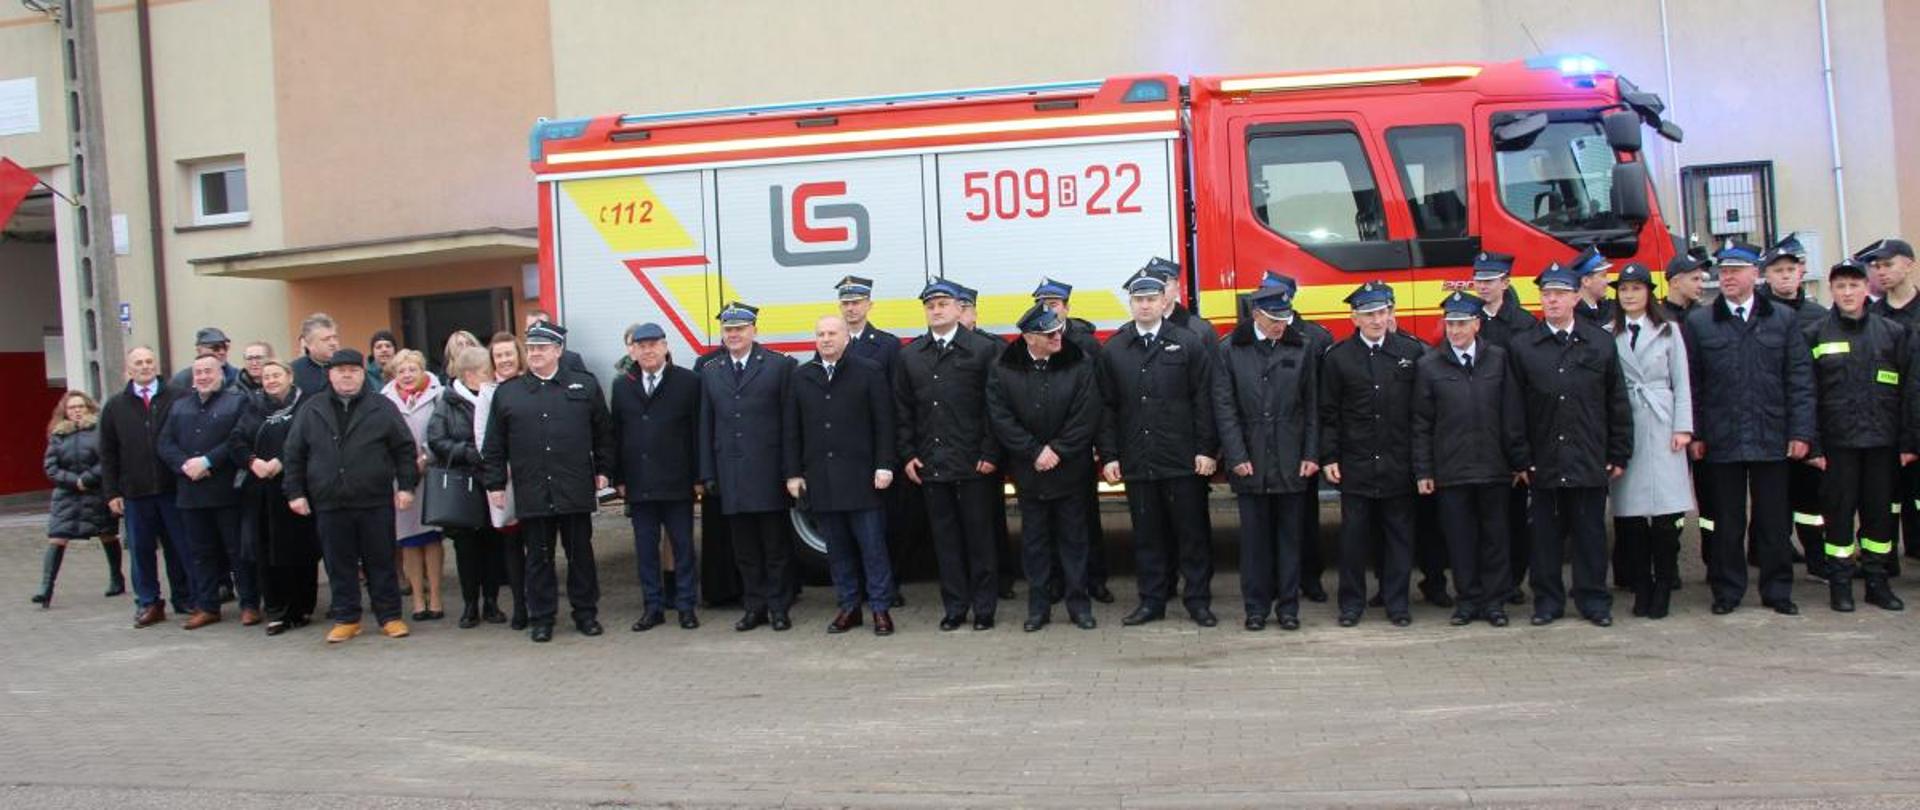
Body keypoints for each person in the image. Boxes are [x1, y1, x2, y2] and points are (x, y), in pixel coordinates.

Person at [1685, 240, 1816, 615]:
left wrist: (1800, 433)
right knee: (1727, 522)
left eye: (1734, 271)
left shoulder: (1781, 319)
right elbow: (1692, 384)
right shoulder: (1700, 322)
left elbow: (1799, 381)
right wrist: (1696, 433)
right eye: (1722, 272)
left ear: (1754, 275)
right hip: (1720, 438)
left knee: (1773, 522)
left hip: (1771, 435)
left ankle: (1777, 591)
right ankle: (1727, 591)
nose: (1726, 277)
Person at [1508, 261, 1633, 627]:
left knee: (1590, 534)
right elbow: (1513, 408)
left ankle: (1593, 600)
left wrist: (1618, 451)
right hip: (1543, 459)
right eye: (1547, 294)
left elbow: (1616, 401)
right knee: (1545, 537)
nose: (1553, 301)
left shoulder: (1599, 342)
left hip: (1588, 454)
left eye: (1560, 294)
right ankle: (1547, 601)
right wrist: (1520, 457)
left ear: (1577, 296)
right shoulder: (1524, 346)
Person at [1098, 266, 1219, 628]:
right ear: (1130, 304)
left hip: (1183, 458)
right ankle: (1152, 601)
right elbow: (1106, 407)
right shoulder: (1116, 348)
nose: (1146, 306)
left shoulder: (1187, 342)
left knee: (1192, 535)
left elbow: (1204, 400)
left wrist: (1206, 450)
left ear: (1165, 300)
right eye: (1139, 300)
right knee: (1147, 537)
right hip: (1139, 458)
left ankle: (1198, 601)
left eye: (1151, 299)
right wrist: (1110, 455)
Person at [483, 321, 615, 643]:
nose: (535, 353)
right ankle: (542, 618)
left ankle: (585, 613)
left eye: (542, 348)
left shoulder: (584, 386)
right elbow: (494, 445)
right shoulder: (509, 392)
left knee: (580, 555)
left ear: (558, 351)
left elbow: (604, 434)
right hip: (533, 488)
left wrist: (605, 470)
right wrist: (495, 484)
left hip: (574, 487)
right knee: (538, 557)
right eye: (530, 349)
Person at [283, 347, 419, 643]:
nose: (347, 375)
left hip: (374, 500)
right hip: (329, 501)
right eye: (340, 370)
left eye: (353, 370)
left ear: (362, 374)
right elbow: (294, 453)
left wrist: (407, 486)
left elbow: (404, 449)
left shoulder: (382, 407)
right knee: (338, 562)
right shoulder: (312, 408)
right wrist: (295, 492)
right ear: (330, 374)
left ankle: (390, 616)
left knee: (381, 560)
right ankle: (347, 618)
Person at [1803, 258, 1914, 612]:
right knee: (1837, 515)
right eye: (1840, 286)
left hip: (1883, 444)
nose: (1848, 292)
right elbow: (1807, 394)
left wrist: (1908, 442)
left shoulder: (1892, 334)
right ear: (1832, 291)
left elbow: (1910, 391)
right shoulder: (1816, 334)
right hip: (1838, 446)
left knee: (1879, 516)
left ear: (1867, 289)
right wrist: (1813, 444)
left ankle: (1877, 582)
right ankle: (1840, 584)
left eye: (1854, 285)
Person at [1413, 292, 1529, 627]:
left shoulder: (1499, 359)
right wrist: (1424, 469)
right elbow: (1422, 423)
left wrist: (1518, 462)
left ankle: (1495, 602)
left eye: (1462, 323)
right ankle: (1467, 600)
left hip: (1494, 468)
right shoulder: (1429, 365)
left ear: (1477, 324)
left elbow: (1512, 415)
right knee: (1460, 541)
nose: (1455, 330)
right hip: (1452, 470)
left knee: (1496, 538)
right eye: (1450, 323)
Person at [897, 281, 1005, 631]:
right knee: (946, 542)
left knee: (980, 539)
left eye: (944, 304)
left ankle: (984, 608)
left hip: (974, 463)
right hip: (932, 463)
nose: (937, 310)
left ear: (960, 309)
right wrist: (908, 453)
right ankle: (955, 607)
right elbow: (903, 410)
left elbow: (996, 407)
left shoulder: (983, 350)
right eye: (931, 305)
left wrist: (990, 451)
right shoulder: (911, 355)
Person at [988, 303, 1101, 631]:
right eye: (1049, 333)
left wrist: (1059, 450)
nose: (1057, 337)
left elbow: (1086, 413)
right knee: (1035, 543)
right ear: (1029, 338)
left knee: (1075, 539)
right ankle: (1038, 608)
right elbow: (1000, 416)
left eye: (1058, 331)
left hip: (1071, 469)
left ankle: (1079, 606)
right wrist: (1034, 451)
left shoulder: (1079, 363)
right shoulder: (1004, 367)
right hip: (1030, 470)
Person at [784, 315, 898, 635]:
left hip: (863, 478)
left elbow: (884, 423)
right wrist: (793, 473)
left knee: (873, 549)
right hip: (822, 480)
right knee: (838, 552)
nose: (826, 339)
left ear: (847, 338)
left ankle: (880, 609)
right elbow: (792, 430)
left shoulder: (869, 372)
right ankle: (849, 607)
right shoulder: (801, 377)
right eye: (820, 334)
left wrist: (885, 465)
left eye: (832, 333)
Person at [1213, 284, 1318, 631]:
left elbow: (1313, 408)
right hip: (1250, 458)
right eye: (1274, 318)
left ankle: (1288, 608)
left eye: (1285, 318)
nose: (1280, 325)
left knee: (1291, 540)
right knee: (1255, 543)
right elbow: (1224, 408)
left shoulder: (1301, 346)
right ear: (1256, 314)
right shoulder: (1229, 349)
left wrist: (1310, 453)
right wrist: (1236, 455)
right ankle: (1255, 608)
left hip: (1291, 458)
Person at [1319, 281, 1421, 627]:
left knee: (1399, 538)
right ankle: (1351, 604)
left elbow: (1421, 414)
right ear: (1354, 318)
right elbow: (1329, 413)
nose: (1377, 320)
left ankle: (1397, 604)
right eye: (1368, 315)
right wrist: (1329, 457)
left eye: (1381, 312)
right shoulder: (1338, 358)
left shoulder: (1410, 352)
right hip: (1356, 463)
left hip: (1398, 461)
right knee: (1353, 541)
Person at [698, 302, 799, 631]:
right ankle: (754, 606)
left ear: (754, 330)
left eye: (740, 329)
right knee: (744, 550)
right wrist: (708, 473)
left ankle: (779, 607)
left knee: (775, 547)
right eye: (728, 330)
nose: (734, 335)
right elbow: (706, 426)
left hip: (768, 471)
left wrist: (791, 470)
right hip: (732, 474)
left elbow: (789, 424)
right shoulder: (711, 370)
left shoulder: (777, 367)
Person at [1606, 264, 1694, 620]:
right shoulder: (1608, 333)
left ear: (1649, 293)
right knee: (1630, 519)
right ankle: (1640, 587)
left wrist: (1683, 428)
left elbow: (1682, 382)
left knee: (1665, 518)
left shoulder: (1669, 331)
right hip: (1627, 427)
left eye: (1635, 289)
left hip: (1662, 424)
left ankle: (1663, 587)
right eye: (1623, 290)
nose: (1629, 295)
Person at [610, 322, 702, 631]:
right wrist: (618, 477)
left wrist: (699, 476)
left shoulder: (688, 382)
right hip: (639, 482)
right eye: (642, 345)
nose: (648, 350)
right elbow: (616, 434)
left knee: (682, 547)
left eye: (654, 344)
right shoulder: (622, 385)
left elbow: (697, 433)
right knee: (645, 549)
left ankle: (687, 606)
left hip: (678, 480)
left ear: (665, 347)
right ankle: (653, 607)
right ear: (633, 350)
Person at [158, 353, 257, 629]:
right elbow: (164, 443)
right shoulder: (179, 407)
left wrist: (208, 460)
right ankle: (207, 606)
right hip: (190, 492)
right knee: (200, 552)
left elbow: (237, 439)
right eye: (198, 372)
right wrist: (185, 465)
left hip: (226, 491)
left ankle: (249, 604)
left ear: (220, 374)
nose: (203, 376)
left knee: (237, 551)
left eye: (208, 371)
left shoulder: (237, 402)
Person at [1033, 277, 1115, 604]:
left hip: (1080, 443)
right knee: (1048, 520)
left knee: (1086, 517)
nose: (1048, 309)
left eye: (1054, 303)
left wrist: (1100, 444)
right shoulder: (1034, 342)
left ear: (1067, 307)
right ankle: (1056, 582)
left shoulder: (1087, 344)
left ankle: (1094, 579)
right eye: (1042, 303)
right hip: (1045, 446)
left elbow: (1100, 397)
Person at [99, 346, 195, 627]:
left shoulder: (178, 397)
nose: (144, 366)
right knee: (141, 551)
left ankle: (185, 597)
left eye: (149, 361)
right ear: (128, 370)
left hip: (172, 489)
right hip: (135, 493)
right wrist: (112, 492)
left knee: (179, 547)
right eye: (138, 363)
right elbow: (108, 452)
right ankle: (149, 603)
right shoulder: (115, 406)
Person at [1757, 235, 1830, 582]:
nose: (1785, 276)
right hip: (1770, 418)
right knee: (1773, 498)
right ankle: (1772, 554)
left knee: (1810, 498)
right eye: (1777, 270)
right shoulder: (1758, 312)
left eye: (1791, 269)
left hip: (1807, 417)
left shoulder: (1819, 316)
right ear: (1766, 275)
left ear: (1801, 273)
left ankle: (1817, 556)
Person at [1469, 252, 1538, 607]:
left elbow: (1528, 386)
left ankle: (1513, 581)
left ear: (1506, 283)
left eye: (1490, 280)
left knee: (1514, 515)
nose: (1483, 285)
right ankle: (1484, 582)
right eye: (1479, 279)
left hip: (1510, 430)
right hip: (1477, 431)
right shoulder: (1466, 318)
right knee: (1481, 519)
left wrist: (1520, 450)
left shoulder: (1524, 325)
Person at [427, 345, 514, 628]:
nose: (492, 375)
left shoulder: (496, 396)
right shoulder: (448, 401)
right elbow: (436, 440)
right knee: (466, 550)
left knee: (492, 546)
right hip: (464, 485)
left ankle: (491, 603)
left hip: (492, 482)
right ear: (469, 374)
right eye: (486, 371)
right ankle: (469, 605)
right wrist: (467, 451)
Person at [230, 359, 319, 635]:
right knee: (266, 553)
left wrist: (282, 462)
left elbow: (310, 440)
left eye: (276, 375)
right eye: (266, 376)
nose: (270, 380)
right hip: (261, 492)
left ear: (289, 376)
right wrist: (252, 461)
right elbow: (236, 440)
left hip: (295, 487)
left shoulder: (305, 405)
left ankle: (301, 608)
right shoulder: (253, 406)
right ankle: (277, 611)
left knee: (300, 550)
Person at [1261, 271, 1333, 604]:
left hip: (1302, 441)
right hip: (1270, 442)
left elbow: (1320, 400)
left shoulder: (1315, 338)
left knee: (1306, 518)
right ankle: (1276, 580)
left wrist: (1315, 448)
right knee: (1272, 520)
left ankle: (1310, 577)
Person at [1861, 238, 1920, 569]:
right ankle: (1881, 562)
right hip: (1883, 421)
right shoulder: (1871, 316)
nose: (1880, 272)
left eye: (1888, 264)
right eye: (1876, 266)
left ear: (1909, 264)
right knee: (1883, 499)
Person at [35, 391, 121, 608]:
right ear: (65, 412)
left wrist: (88, 479)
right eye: (72, 408)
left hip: (96, 493)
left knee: (107, 535)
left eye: (80, 406)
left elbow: (107, 460)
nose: (76, 411)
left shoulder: (99, 432)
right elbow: (51, 467)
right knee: (57, 538)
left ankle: (116, 578)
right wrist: (75, 481)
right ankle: (46, 588)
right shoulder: (58, 435)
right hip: (67, 495)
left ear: (88, 408)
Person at [382, 349, 446, 621]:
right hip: (400, 478)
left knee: (432, 538)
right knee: (408, 539)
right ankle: (418, 599)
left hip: (430, 472)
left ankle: (436, 596)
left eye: (412, 370)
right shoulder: (384, 400)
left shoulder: (438, 394)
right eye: (401, 371)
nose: (407, 375)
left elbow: (445, 428)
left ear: (422, 371)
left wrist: (427, 454)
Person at [1663, 250, 1715, 578]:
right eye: (1695, 278)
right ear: (1675, 280)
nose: (1701, 284)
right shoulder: (1658, 317)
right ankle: (1669, 563)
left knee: (1711, 502)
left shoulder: (1706, 318)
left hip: (1704, 421)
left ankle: (1714, 561)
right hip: (1671, 424)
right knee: (1671, 504)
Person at [486, 331, 531, 629]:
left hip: (536, 477)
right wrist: (499, 478)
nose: (504, 359)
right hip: (507, 482)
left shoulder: (532, 385)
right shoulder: (488, 393)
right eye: (498, 355)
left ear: (519, 355)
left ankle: (540, 600)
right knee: (513, 546)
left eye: (508, 354)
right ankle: (519, 607)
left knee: (538, 544)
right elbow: (484, 441)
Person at [168, 327, 241, 391]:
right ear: (199, 350)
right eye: (216, 348)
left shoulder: (238, 377)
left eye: (225, 347)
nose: (222, 352)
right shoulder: (182, 380)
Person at [522, 308, 591, 377]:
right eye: (531, 328)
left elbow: (584, 383)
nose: (537, 332)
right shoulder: (520, 359)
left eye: (543, 327)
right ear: (525, 332)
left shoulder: (571, 359)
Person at [290, 313, 341, 398]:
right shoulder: (293, 371)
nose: (333, 343)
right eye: (326, 339)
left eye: (335, 337)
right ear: (309, 344)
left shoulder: (349, 366)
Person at [1569, 247, 1618, 326]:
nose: (1608, 281)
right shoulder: (1571, 316)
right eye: (1603, 276)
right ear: (1586, 281)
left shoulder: (1609, 309)